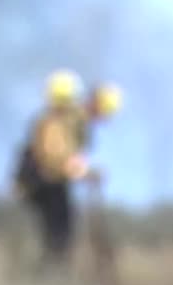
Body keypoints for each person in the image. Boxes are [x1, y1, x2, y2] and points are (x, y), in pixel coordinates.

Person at [12, 69, 104, 269]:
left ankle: (52, 271)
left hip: (48, 183)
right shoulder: (53, 125)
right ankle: (49, 274)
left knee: (60, 228)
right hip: (46, 184)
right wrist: (86, 173)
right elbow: (57, 160)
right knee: (58, 231)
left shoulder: (55, 123)